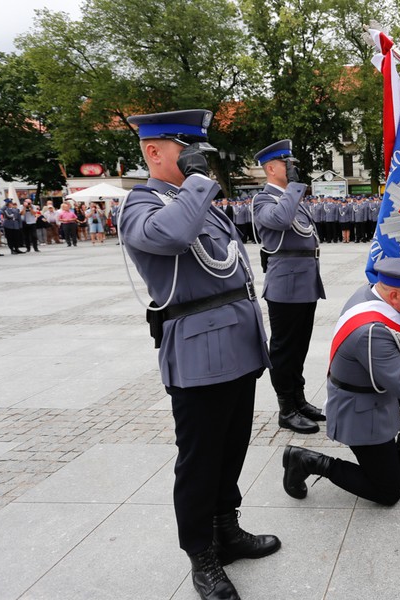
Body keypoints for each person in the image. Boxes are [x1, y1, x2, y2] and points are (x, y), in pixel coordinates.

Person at [120, 109, 279, 600]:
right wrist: (194, 181)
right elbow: (171, 237)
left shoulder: (201, 203)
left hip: (237, 343)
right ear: (153, 151)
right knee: (199, 459)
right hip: (198, 354)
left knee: (232, 449)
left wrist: (194, 183)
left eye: (200, 150)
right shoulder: (140, 206)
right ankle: (201, 555)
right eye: (185, 148)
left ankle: (226, 529)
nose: (198, 158)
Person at [281, 257, 400, 505]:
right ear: (395, 297)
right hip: (360, 411)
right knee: (389, 492)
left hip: (372, 388)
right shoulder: (372, 330)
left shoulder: (371, 293)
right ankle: (308, 461)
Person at [251, 139, 326, 434]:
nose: (292, 167)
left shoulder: (292, 199)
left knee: (300, 348)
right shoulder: (263, 200)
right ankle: (286, 408)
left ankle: (299, 399)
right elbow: (281, 222)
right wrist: (295, 188)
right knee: (284, 350)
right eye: (286, 163)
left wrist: (294, 191)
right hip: (285, 286)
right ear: (271, 168)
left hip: (304, 283)